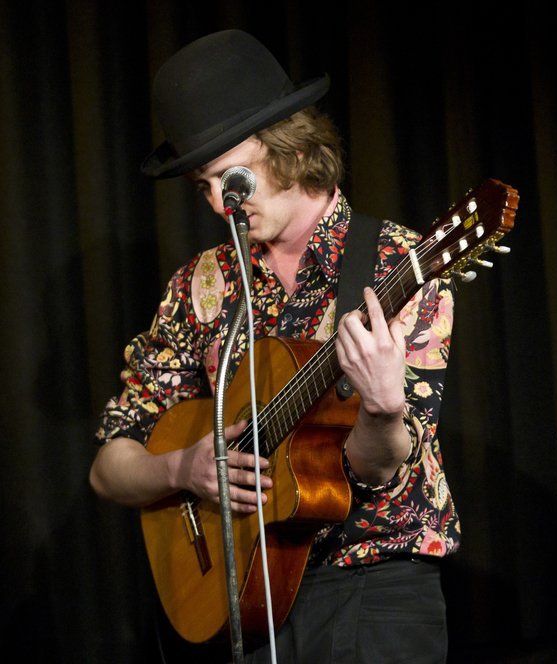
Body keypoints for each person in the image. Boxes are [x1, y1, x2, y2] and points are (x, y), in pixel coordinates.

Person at [89, 30, 456, 663]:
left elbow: (379, 468)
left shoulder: (399, 263)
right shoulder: (201, 285)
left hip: (374, 588)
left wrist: (381, 410)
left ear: (293, 147)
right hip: (243, 599)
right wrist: (182, 470)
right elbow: (109, 465)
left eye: (229, 179)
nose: (217, 204)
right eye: (202, 186)